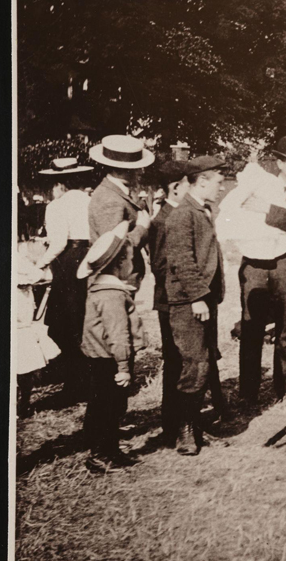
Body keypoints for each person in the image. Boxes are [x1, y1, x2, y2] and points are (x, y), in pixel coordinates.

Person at [218, 135, 286, 403]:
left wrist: (267, 210)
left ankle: (284, 388)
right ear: (280, 162)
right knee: (252, 325)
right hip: (254, 262)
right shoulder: (255, 185)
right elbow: (233, 214)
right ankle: (248, 391)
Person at [164, 157, 226, 456]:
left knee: (203, 363)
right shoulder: (181, 215)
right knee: (195, 364)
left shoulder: (201, 210)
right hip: (189, 302)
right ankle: (184, 432)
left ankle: (196, 426)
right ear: (201, 181)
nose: (221, 186)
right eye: (217, 181)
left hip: (202, 300)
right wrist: (198, 297)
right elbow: (181, 260)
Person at [78, 221, 147, 473]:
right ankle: (99, 455)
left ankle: (110, 449)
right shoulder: (113, 296)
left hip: (101, 359)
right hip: (111, 360)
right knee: (108, 407)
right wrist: (123, 366)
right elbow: (118, 335)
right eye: (130, 259)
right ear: (119, 263)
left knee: (109, 406)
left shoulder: (101, 288)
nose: (132, 264)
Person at [35, 158, 96, 401]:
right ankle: (90, 380)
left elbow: (59, 243)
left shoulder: (56, 206)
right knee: (84, 320)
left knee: (66, 325)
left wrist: (38, 263)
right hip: (90, 258)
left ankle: (75, 385)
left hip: (69, 262)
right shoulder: (90, 201)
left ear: (59, 184)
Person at [146, 160, 191, 447]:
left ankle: (189, 423)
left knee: (194, 364)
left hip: (188, 301)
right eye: (190, 183)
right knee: (176, 364)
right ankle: (173, 428)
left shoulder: (189, 213)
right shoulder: (162, 220)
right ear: (175, 188)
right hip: (172, 304)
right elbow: (160, 266)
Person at [87, 134, 155, 291]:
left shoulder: (117, 193)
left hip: (122, 277)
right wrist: (141, 228)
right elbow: (112, 248)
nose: (141, 172)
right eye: (137, 167)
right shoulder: (109, 199)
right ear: (124, 170)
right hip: (115, 280)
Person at [15, 247, 61, 418]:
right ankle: (21, 401)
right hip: (18, 314)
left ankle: (23, 402)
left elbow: (44, 276)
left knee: (24, 363)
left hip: (21, 315)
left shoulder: (19, 256)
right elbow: (41, 275)